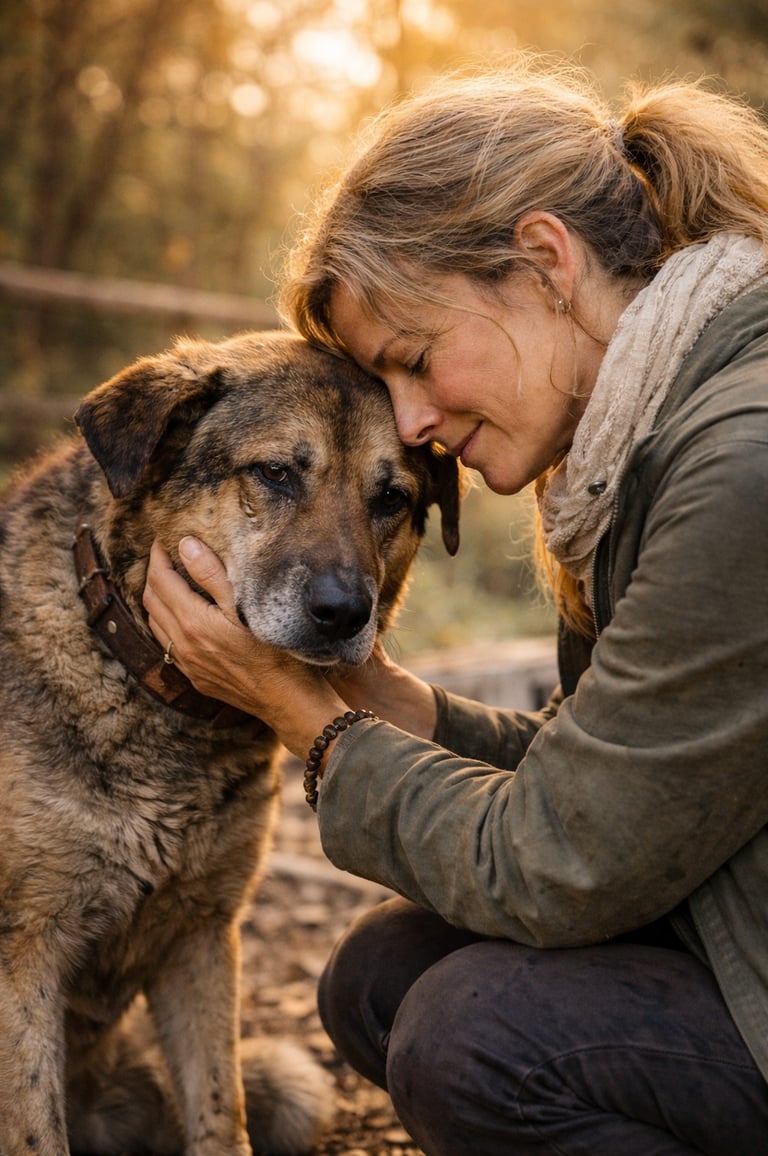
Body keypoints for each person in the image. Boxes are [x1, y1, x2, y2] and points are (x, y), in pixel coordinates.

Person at [143, 56, 768, 1154]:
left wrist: (310, 721)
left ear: (544, 261)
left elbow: (561, 864)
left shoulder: (739, 464)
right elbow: (640, 768)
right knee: (383, 975)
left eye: (419, 360)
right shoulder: (643, 435)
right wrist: (394, 703)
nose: (417, 424)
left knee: (471, 1036)